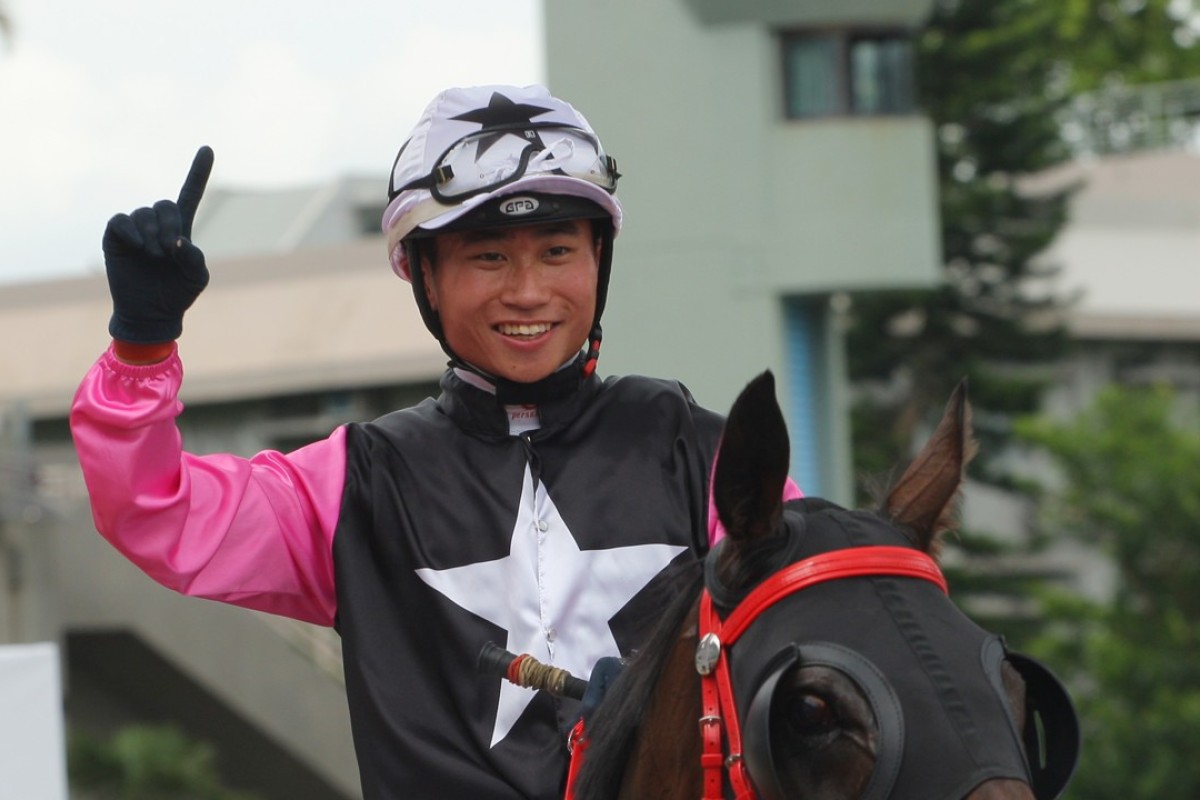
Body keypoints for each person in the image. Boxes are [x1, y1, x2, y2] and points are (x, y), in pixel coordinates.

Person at [70, 84, 796, 798]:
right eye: (488, 257)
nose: (528, 291)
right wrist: (141, 347)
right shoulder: (356, 482)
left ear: (598, 260)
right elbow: (155, 509)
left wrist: (662, 696)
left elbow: (812, 635)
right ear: (424, 275)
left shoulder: (692, 447)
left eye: (556, 250)